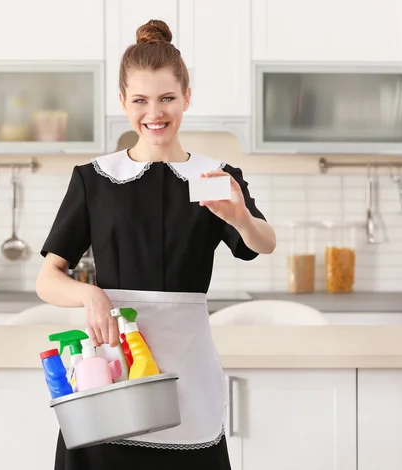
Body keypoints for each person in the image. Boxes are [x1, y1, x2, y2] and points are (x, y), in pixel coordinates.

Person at [36, 18, 276, 470]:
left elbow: (263, 243)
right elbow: (48, 279)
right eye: (141, 100)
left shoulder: (212, 177)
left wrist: (241, 215)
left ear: (187, 97)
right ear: (123, 103)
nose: (155, 112)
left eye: (167, 98)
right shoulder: (96, 180)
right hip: (110, 370)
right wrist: (89, 294)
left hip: (189, 368)